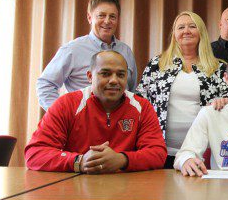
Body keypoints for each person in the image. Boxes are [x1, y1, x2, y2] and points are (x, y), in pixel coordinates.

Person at [25, 50, 166, 173]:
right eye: (105, 74)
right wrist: (78, 162)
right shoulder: (66, 104)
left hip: (126, 190)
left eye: (121, 75)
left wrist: (122, 159)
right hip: (75, 190)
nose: (114, 80)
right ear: (90, 76)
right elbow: (34, 153)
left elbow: (158, 153)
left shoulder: (142, 107)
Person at [136, 11, 228, 168]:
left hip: (203, 152)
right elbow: (140, 100)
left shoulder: (218, 67)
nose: (186, 31)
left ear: (201, 32)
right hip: (160, 151)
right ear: (174, 34)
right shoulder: (157, 64)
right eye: (181, 27)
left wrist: (224, 102)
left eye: (192, 26)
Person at [36, 0, 138, 111]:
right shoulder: (72, 50)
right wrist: (62, 116)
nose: (107, 21)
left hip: (120, 125)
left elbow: (132, 90)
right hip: (83, 125)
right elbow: (45, 85)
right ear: (90, 18)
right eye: (101, 15)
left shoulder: (126, 51)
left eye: (112, 16)